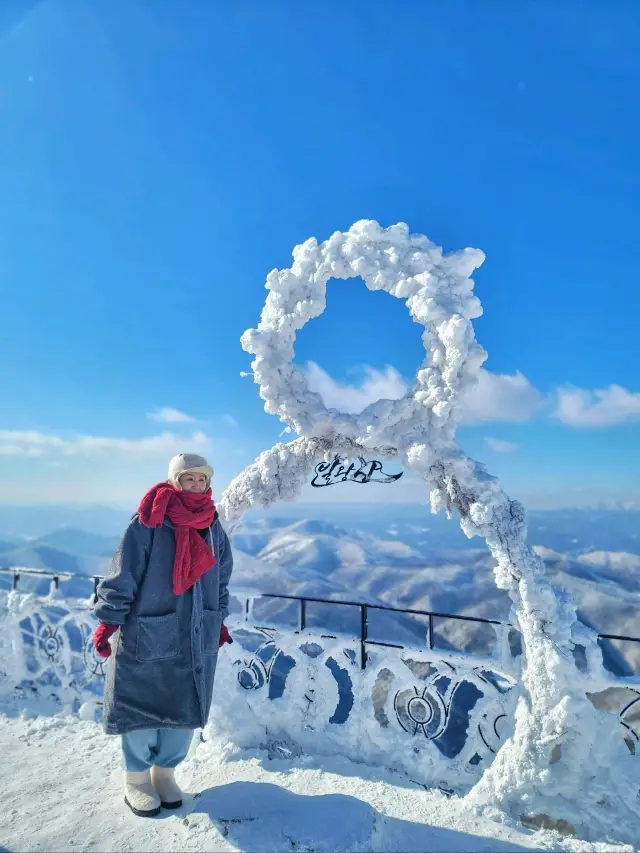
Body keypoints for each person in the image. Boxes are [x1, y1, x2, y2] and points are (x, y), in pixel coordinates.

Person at [92, 453, 234, 817]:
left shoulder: (212, 525)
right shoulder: (148, 522)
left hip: (195, 633)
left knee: (183, 708)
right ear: (175, 481)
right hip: (148, 629)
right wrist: (109, 621)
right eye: (190, 479)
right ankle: (137, 780)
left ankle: (166, 774)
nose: (198, 485)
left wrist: (217, 618)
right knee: (141, 708)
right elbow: (123, 574)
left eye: (203, 479)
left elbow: (221, 578)